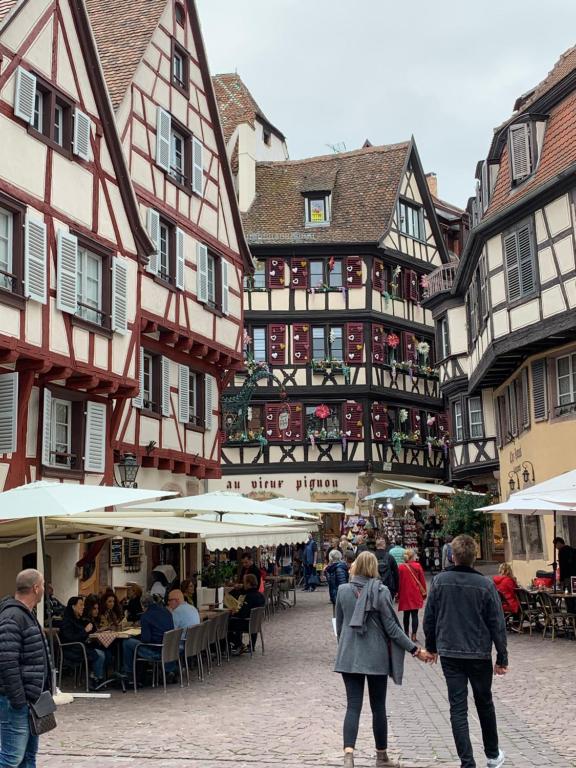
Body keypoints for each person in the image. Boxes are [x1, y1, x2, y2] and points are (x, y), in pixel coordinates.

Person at [335, 552, 428, 767]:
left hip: (349, 656)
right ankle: (381, 757)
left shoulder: (342, 591)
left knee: (353, 706)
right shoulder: (381, 591)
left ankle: (348, 755)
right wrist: (415, 650)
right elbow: (393, 629)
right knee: (378, 707)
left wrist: (346, 646)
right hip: (376, 657)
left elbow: (339, 627)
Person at [423, 534, 508, 768]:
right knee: (484, 702)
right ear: (474, 557)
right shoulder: (485, 584)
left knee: (458, 708)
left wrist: (431, 647)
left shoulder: (440, 581)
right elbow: (497, 623)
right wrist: (502, 656)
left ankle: (467, 762)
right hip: (478, 652)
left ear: (452, 556)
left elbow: (429, 618)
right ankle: (492, 754)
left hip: (450, 652)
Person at [0, 569, 54, 768]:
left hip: (32, 700)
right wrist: (18, 700)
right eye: (43, 584)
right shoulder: (12, 616)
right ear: (36, 588)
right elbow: (6, 661)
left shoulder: (25, 614)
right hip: (16, 702)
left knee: (28, 756)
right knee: (11, 758)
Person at [122, 594, 174, 682]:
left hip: (157, 651)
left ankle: (129, 674)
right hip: (169, 648)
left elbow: (146, 640)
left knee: (127, 642)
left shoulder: (145, 616)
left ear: (142, 605)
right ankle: (140, 672)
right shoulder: (166, 611)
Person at [60, 596, 106, 687]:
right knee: (100, 654)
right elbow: (70, 637)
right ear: (73, 607)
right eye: (80, 605)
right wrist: (85, 631)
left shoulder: (78, 620)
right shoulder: (67, 621)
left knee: (104, 652)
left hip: (80, 647)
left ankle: (96, 676)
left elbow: (83, 633)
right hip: (72, 649)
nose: (83, 607)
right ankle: (96, 679)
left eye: (83, 605)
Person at [228, 574, 266, 653]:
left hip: (246, 622)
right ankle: (250, 645)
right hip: (255, 623)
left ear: (249, 584)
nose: (243, 584)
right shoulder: (261, 596)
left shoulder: (248, 596)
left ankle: (238, 644)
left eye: (244, 582)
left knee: (227, 623)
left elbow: (243, 614)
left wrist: (234, 612)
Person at [397, 549, 427, 642]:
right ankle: (414, 635)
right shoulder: (417, 566)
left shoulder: (401, 567)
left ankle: (406, 634)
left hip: (405, 593)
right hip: (415, 593)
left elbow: (398, 582)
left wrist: (398, 594)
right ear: (413, 556)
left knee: (406, 615)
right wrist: (424, 592)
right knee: (415, 615)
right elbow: (422, 580)